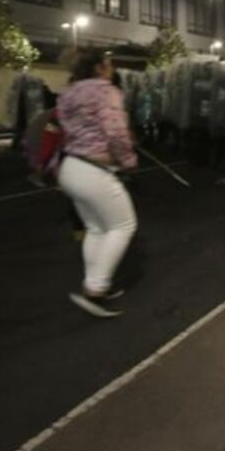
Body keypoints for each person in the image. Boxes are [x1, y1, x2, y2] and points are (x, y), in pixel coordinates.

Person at [57, 50, 138, 318]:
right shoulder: (105, 91)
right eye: (109, 64)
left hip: (71, 166)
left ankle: (96, 282)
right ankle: (95, 289)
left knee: (96, 228)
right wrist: (128, 160)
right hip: (95, 169)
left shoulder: (68, 93)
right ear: (99, 67)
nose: (111, 69)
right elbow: (116, 132)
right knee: (123, 226)